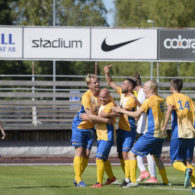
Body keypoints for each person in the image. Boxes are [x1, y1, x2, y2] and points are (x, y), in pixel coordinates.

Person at [112, 80, 169, 188]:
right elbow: (147, 108)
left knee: (131, 154)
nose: (143, 89)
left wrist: (121, 110)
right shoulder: (161, 99)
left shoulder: (149, 100)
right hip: (161, 134)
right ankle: (166, 181)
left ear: (152, 89)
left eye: (146, 87)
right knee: (156, 157)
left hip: (152, 133)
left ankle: (132, 181)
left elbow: (136, 114)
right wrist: (137, 101)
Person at [71, 74, 110, 187]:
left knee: (87, 154)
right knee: (79, 151)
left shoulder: (101, 95)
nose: (97, 84)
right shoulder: (86, 96)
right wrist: (104, 119)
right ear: (89, 85)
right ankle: (78, 180)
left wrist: (94, 116)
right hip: (79, 126)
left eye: (98, 81)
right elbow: (89, 115)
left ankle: (76, 177)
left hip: (90, 128)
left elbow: (93, 115)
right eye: (94, 83)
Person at [104, 65, 137, 187]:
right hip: (122, 129)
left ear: (129, 87)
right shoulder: (123, 94)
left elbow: (120, 111)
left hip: (129, 129)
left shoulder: (132, 99)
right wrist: (107, 72)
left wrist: (110, 109)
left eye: (123, 84)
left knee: (125, 154)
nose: (121, 86)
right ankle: (127, 177)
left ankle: (128, 179)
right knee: (120, 155)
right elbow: (110, 82)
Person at [161, 79, 195, 193]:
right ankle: (194, 188)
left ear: (172, 87)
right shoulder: (188, 99)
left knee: (175, 161)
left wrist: (164, 126)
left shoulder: (171, 97)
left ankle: (186, 170)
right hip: (190, 133)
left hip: (178, 132)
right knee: (188, 161)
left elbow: (170, 108)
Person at [81, 88, 118, 187]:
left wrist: (88, 117)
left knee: (99, 158)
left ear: (109, 96)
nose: (101, 99)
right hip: (101, 135)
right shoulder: (101, 105)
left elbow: (100, 120)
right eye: (100, 96)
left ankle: (99, 182)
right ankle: (111, 178)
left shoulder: (110, 105)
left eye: (104, 97)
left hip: (107, 136)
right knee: (104, 159)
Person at [132, 73, 157, 183]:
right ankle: (149, 175)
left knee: (139, 151)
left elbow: (143, 107)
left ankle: (149, 174)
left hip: (145, 127)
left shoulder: (142, 92)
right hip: (142, 126)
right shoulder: (140, 92)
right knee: (145, 152)